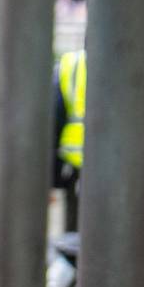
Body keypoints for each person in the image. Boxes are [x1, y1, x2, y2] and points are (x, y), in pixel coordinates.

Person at [54, 47, 86, 234]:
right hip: (107, 163)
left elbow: (56, 114)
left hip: (73, 159)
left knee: (73, 226)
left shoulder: (70, 64)